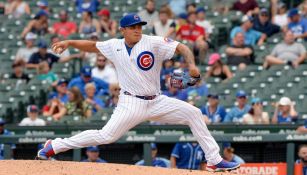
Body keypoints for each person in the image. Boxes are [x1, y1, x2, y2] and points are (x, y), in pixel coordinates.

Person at [37, 13, 240, 172]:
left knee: (194, 114)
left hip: (157, 100)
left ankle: (214, 160)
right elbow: (91, 46)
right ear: (123, 30)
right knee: (106, 136)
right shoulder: (113, 45)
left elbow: (183, 47)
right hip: (130, 103)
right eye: (133, 27)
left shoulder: (152, 42)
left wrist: (192, 66)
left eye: (139, 26)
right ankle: (55, 146)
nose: (137, 30)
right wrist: (69, 43)